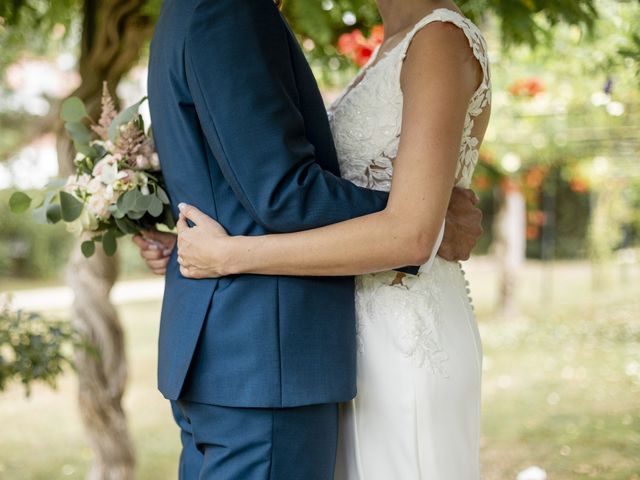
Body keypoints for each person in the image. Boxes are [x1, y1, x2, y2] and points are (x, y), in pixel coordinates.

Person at [140, 0, 485, 478]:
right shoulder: (231, 11)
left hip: (378, 340)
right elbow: (279, 191)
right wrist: (430, 217)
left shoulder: (436, 39)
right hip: (277, 352)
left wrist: (420, 220)